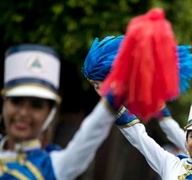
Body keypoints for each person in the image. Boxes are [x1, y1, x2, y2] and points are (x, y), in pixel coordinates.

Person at [0, 44, 119, 179]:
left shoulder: (53, 167)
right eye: (16, 101)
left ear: (50, 113)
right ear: (4, 102)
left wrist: (116, 91)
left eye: (36, 105)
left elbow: (90, 134)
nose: (23, 113)